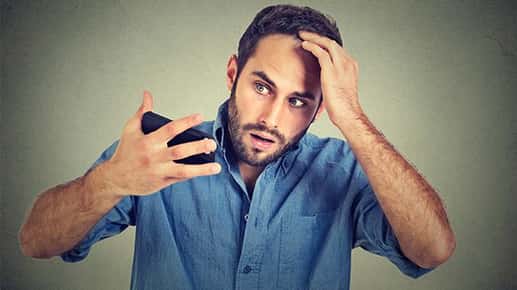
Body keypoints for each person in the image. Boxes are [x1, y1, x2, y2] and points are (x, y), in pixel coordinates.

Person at [19, 4, 455, 290]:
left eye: (299, 100)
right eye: (262, 86)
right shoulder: (153, 154)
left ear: (321, 108)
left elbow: (432, 250)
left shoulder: (343, 172)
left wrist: (353, 118)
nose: (272, 118)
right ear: (233, 73)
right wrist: (109, 181)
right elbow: (36, 241)